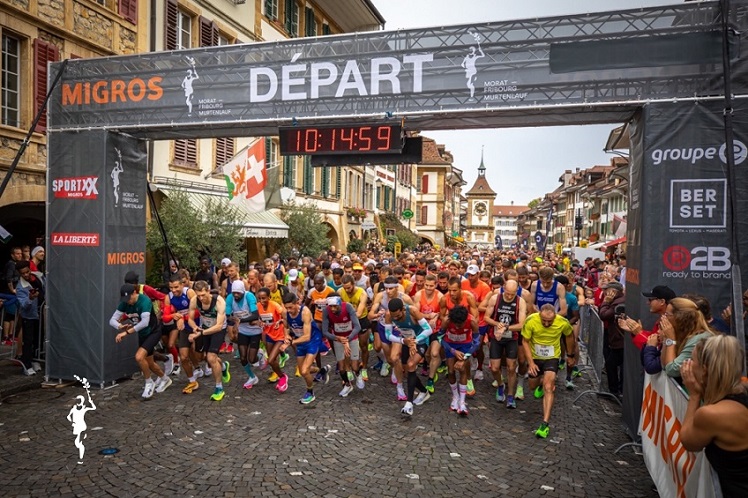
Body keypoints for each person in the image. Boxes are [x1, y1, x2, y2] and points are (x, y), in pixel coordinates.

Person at [680, 335, 748, 496]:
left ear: (704, 369)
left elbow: (688, 442)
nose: (688, 365)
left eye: (692, 360)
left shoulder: (712, 414)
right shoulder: (742, 391)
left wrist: (694, 396)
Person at [521, 304, 576, 438]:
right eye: (543, 320)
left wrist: (570, 355)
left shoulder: (562, 322)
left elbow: (569, 336)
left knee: (549, 387)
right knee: (532, 386)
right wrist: (531, 363)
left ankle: (545, 424)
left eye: (549, 321)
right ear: (539, 315)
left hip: (552, 357)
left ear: (555, 316)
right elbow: (525, 341)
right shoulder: (531, 320)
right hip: (535, 357)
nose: (546, 323)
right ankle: (539, 384)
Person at [110, 284, 171, 399]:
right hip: (142, 334)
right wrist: (120, 326)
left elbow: (144, 323)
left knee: (139, 357)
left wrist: (126, 333)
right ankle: (165, 379)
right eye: (125, 300)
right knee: (150, 363)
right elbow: (112, 320)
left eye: (129, 299)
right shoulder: (125, 303)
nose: (128, 302)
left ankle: (149, 382)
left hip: (153, 331)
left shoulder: (145, 301)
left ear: (134, 293)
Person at [384, 297, 433, 416]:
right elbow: (388, 335)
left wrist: (415, 341)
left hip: (420, 340)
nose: (395, 318)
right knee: (407, 371)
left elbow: (429, 329)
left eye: (398, 316)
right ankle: (423, 391)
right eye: (393, 316)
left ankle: (409, 404)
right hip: (406, 341)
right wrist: (403, 341)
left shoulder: (413, 311)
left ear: (403, 310)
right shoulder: (389, 315)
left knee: (411, 365)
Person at [483, 279, 526, 408]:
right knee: (495, 368)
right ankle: (501, 385)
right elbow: (486, 317)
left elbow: (521, 325)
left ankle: (511, 395)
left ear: (517, 291)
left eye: (512, 294)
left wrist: (506, 328)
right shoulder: (495, 298)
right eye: (507, 293)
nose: (509, 296)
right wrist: (497, 324)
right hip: (496, 336)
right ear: (504, 289)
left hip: (511, 337)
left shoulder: (521, 302)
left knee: (511, 367)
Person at [187, 281, 230, 401]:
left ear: (208, 291)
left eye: (203, 295)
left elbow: (219, 325)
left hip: (218, 330)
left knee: (211, 358)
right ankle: (223, 367)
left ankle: (219, 388)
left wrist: (200, 333)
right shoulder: (195, 300)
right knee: (203, 357)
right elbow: (190, 319)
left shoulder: (219, 301)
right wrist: (195, 327)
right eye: (198, 295)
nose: (201, 298)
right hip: (204, 328)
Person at [282, 292, 327, 404]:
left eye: (291, 307)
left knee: (304, 370)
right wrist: (287, 335)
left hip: (312, 340)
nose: (289, 310)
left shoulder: (305, 312)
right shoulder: (285, 312)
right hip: (299, 341)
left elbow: (306, 336)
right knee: (303, 372)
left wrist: (291, 342)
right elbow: (286, 326)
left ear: (296, 303)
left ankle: (310, 393)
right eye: (286, 308)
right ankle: (321, 370)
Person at [658, 297, 715, 378]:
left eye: (667, 315)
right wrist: (666, 338)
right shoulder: (683, 335)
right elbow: (664, 365)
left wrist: (671, 340)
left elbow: (672, 370)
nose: (664, 318)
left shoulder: (698, 339)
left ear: (679, 318)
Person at [440, 305, 480, 416]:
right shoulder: (446, 321)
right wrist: (452, 351)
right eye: (456, 325)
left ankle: (462, 402)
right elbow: (439, 338)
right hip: (450, 344)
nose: (458, 327)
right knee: (451, 371)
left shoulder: (472, 322)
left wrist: (465, 357)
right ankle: (455, 397)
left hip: (465, 345)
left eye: (460, 325)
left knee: (462, 370)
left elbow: (477, 343)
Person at [321, 295, 363, 397]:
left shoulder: (348, 307)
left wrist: (347, 339)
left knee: (354, 365)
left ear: (340, 304)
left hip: (351, 337)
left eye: (335, 306)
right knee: (341, 367)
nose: (333, 309)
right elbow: (325, 331)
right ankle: (348, 385)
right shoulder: (326, 311)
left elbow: (357, 326)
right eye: (330, 306)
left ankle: (358, 373)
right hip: (338, 338)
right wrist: (338, 338)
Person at [224, 280, 262, 391]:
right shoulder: (230, 298)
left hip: (255, 331)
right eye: (234, 292)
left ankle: (260, 355)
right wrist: (234, 320)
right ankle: (252, 377)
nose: (236, 295)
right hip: (243, 331)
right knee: (243, 357)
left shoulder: (249, 296)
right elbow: (228, 315)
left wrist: (240, 320)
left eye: (238, 293)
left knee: (252, 359)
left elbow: (255, 315)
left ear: (243, 292)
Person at [618, 285, 677, 350]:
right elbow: (653, 339)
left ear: (662, 302)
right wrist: (635, 330)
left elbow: (655, 350)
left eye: (650, 300)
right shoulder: (663, 320)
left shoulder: (670, 322)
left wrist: (639, 333)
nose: (647, 303)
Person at [256, 286, 289, 391]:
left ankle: (283, 376)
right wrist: (259, 322)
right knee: (272, 360)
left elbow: (285, 315)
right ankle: (280, 375)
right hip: (269, 335)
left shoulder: (274, 305)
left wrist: (280, 321)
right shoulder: (258, 306)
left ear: (269, 297)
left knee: (270, 360)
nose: (262, 301)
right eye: (260, 298)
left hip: (279, 336)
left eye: (264, 298)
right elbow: (258, 318)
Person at [15, 260, 44, 375]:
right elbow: (23, 305)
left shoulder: (38, 277)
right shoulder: (20, 287)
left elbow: (44, 287)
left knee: (39, 338)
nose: (26, 275)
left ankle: (35, 360)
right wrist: (30, 299)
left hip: (39, 313)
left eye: (27, 272)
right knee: (28, 340)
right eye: (23, 273)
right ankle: (26, 365)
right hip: (29, 316)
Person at [598, 281, 626, 397]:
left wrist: (605, 302)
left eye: (606, 290)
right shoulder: (618, 301)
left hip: (619, 339)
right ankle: (615, 390)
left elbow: (603, 315)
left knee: (613, 364)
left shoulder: (618, 302)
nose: (604, 293)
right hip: (617, 338)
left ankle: (616, 391)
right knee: (612, 364)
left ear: (614, 292)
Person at [67, 378, 96, 464]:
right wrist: (72, 422)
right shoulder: (74, 409)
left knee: (79, 443)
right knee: (77, 443)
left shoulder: (84, 408)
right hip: (76, 426)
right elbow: (68, 416)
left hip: (82, 426)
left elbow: (93, 408)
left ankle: (81, 458)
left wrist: (91, 402)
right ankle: (81, 455)